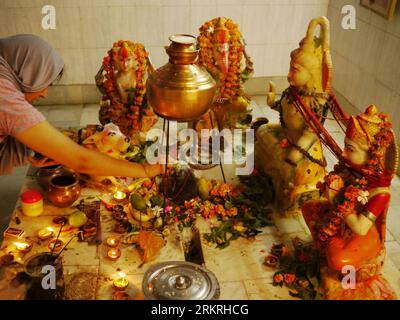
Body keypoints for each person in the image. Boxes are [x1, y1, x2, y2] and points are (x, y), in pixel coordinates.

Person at [0, 34, 163, 178]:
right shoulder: (5, 98)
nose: (44, 94)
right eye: (45, 82)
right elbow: (82, 161)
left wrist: (34, 149)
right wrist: (145, 170)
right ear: (27, 72)